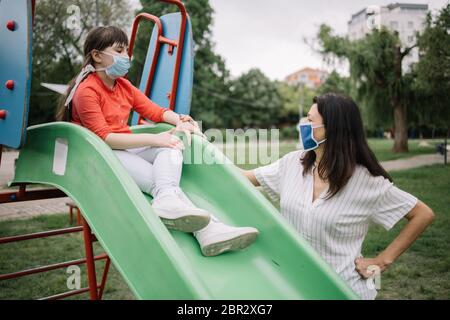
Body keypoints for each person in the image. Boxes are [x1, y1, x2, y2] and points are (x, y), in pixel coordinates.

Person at [56, 26, 258, 257]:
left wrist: (180, 121)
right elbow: (105, 137)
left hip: (123, 146)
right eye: (119, 51)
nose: (126, 57)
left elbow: (155, 111)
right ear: (97, 55)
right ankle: (210, 229)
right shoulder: (87, 91)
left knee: (173, 148)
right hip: (100, 155)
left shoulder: (122, 85)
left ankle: (175, 207)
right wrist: (156, 138)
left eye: (126, 51)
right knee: (160, 178)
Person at [242, 93, 434, 299]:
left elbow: (423, 214)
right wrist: (203, 145)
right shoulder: (292, 163)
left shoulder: (367, 182)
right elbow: (243, 177)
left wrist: (382, 260)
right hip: (293, 287)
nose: (304, 126)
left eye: (310, 120)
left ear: (333, 128)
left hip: (343, 290)